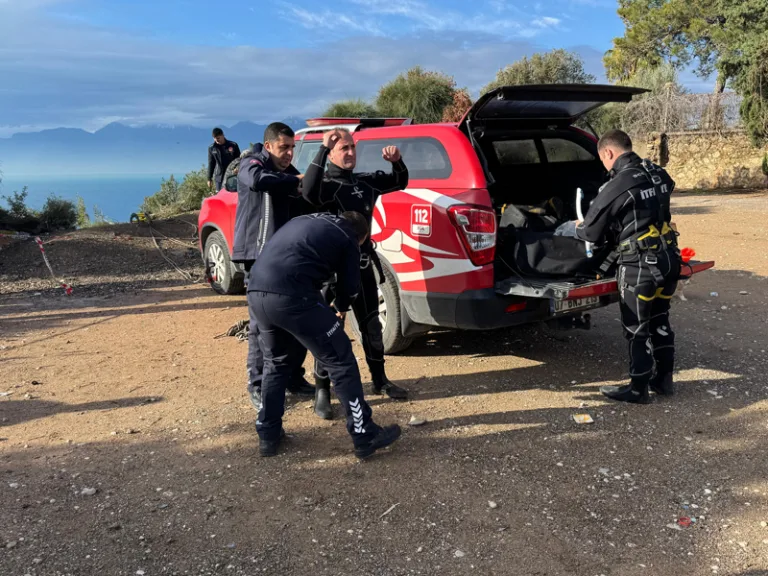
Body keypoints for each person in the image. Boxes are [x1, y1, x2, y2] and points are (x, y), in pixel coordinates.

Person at [248, 211, 402, 458]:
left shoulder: (301, 220)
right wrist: (340, 309)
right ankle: (364, 435)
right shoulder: (349, 237)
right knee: (340, 360)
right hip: (293, 296)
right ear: (362, 237)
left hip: (257, 292)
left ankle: (268, 433)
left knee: (276, 363)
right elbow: (351, 286)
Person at [301, 128, 410, 420]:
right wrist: (322, 149)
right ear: (333, 153)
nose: (349, 153)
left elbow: (400, 180)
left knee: (372, 326)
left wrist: (397, 161)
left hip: (361, 265)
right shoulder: (327, 186)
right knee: (328, 331)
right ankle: (322, 389)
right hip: (331, 272)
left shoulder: (365, 183)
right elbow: (308, 192)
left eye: (352, 147)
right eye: (342, 148)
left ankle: (380, 379)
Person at [233, 123, 337, 409]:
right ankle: (257, 385)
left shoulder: (288, 173)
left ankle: (292, 376)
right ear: (268, 146)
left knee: (297, 318)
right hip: (257, 256)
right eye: (284, 147)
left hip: (287, 258)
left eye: (292, 148)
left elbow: (308, 192)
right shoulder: (251, 164)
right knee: (260, 326)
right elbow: (257, 180)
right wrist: (295, 181)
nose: (290, 153)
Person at [575, 129, 679, 404]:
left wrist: (578, 227)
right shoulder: (656, 172)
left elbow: (590, 232)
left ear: (608, 153)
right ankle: (664, 380)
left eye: (603, 160)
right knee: (660, 318)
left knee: (636, 326)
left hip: (639, 264)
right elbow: (664, 192)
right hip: (669, 259)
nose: (604, 167)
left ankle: (637, 389)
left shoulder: (619, 183)